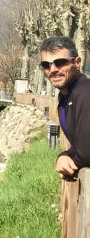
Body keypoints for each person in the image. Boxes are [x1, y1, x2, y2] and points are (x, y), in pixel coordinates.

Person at [40, 36, 90, 177]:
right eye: (46, 65)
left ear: (77, 62)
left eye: (60, 62)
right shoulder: (65, 96)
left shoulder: (86, 93)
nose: (53, 69)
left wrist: (68, 160)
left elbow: (86, 153)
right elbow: (80, 145)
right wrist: (64, 155)